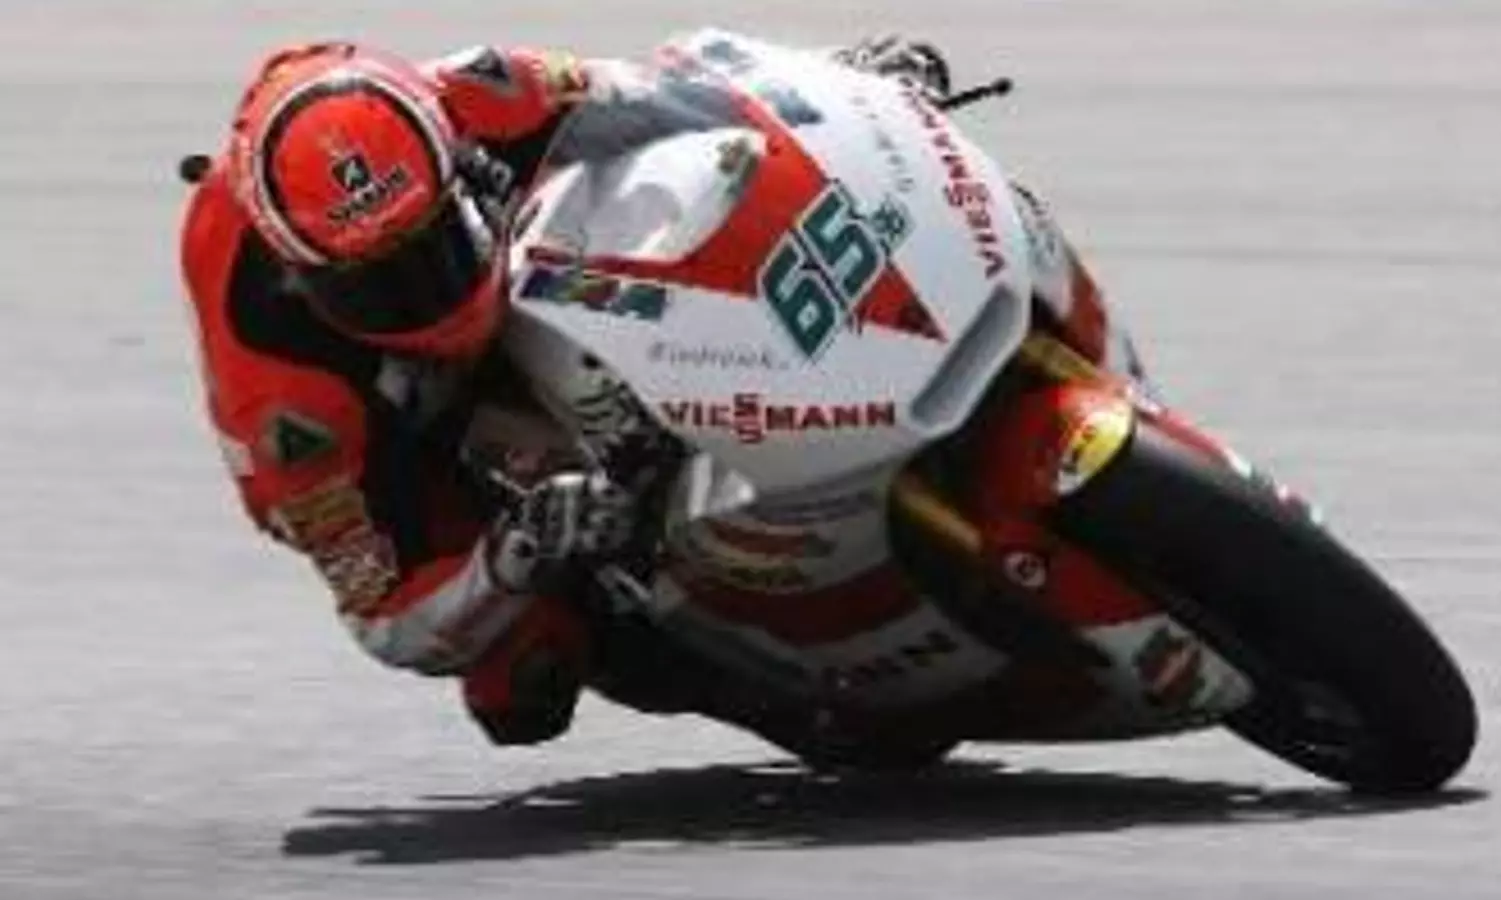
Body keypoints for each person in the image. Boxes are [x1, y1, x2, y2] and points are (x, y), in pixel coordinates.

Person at [177, 36, 1145, 752]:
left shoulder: (476, 91)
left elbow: (668, 95)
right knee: (525, 674)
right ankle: (784, 688)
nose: (425, 290)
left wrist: (846, 88)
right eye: (382, 283)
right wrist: (515, 552)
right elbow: (386, 615)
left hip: (542, 281)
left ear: (454, 160)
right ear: (303, 276)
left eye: (437, 241)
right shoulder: (287, 403)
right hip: (417, 428)